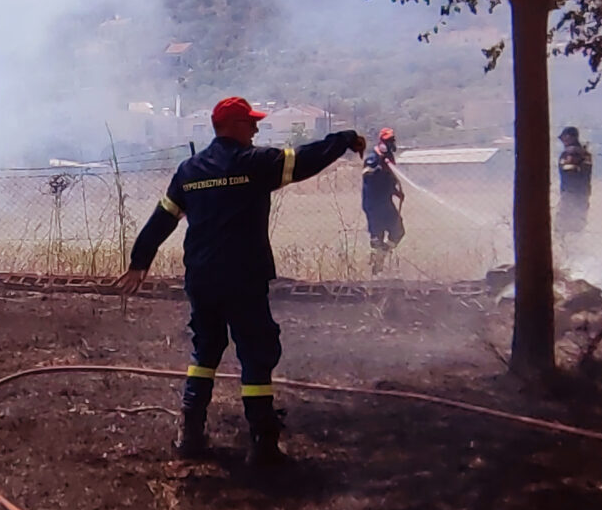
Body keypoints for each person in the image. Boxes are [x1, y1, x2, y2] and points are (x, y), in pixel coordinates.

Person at [115, 98, 364, 465]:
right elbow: (305, 160)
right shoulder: (255, 164)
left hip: (202, 277)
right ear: (233, 125)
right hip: (244, 276)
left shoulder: (189, 170)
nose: (256, 129)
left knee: (206, 348)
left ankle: (191, 431)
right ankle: (263, 441)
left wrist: (139, 261)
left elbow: (162, 218)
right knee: (256, 352)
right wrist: (343, 139)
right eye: (251, 122)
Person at [361, 127, 406, 274]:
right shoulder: (373, 157)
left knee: (398, 230)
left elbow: (390, 178)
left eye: (392, 140)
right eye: (388, 141)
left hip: (385, 202)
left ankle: (383, 254)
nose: (391, 143)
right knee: (377, 236)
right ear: (382, 141)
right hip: (373, 204)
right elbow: (367, 174)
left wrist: (396, 191)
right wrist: (377, 170)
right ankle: (375, 270)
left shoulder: (389, 157)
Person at [557, 126, 593, 236]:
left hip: (571, 194)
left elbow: (569, 173)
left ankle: (566, 247)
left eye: (564, 137)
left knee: (562, 225)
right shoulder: (585, 154)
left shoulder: (571, 153)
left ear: (569, 137)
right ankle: (576, 246)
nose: (562, 141)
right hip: (583, 194)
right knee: (579, 222)